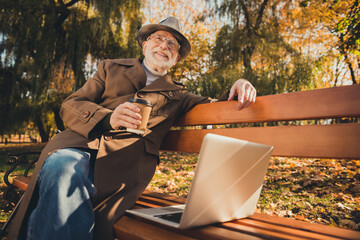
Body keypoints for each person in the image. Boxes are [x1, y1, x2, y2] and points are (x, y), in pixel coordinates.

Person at [8, 17, 256, 240]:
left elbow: (218, 105)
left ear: (176, 58)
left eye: (172, 45)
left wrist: (241, 82)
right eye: (159, 39)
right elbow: (71, 104)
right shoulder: (110, 68)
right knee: (62, 166)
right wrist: (107, 118)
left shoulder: (180, 95)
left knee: (65, 178)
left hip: (122, 167)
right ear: (145, 45)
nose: (164, 46)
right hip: (79, 145)